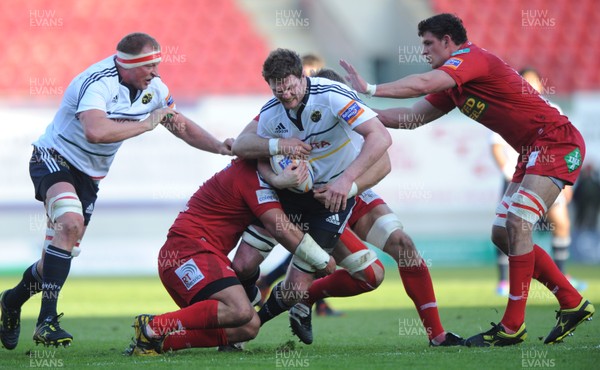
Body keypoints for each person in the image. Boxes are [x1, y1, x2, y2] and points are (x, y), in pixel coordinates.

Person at [340, 13, 594, 346]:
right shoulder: (454, 85)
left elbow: (422, 84)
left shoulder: (471, 59)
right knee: (503, 234)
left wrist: (369, 89)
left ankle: (512, 326)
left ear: (448, 42)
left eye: (429, 44)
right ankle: (571, 301)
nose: (424, 52)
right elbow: (412, 118)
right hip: (532, 150)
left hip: (556, 142)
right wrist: (356, 115)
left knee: (517, 224)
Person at [0, 32, 234, 349]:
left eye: (157, 64)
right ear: (128, 65)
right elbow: (95, 131)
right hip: (53, 159)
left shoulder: (155, 89)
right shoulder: (97, 83)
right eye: (149, 65)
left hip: (89, 178)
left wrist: (220, 146)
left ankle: (11, 302)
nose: (155, 71)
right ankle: (47, 321)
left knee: (54, 259)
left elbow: (179, 124)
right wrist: (148, 123)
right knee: (70, 223)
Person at [235, 68, 464, 346]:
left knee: (401, 247)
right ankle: (242, 322)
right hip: (310, 203)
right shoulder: (285, 109)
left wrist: (349, 187)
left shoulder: (349, 108)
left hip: (346, 194)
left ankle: (437, 335)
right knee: (369, 274)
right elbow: (245, 142)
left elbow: (383, 161)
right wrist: (276, 156)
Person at [231, 48, 392, 338]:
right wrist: (279, 146)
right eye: (278, 90)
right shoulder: (272, 111)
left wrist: (346, 182)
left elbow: (381, 136)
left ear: (302, 76)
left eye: (290, 88)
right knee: (241, 265)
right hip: (286, 198)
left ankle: (252, 325)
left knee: (296, 288)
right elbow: (241, 146)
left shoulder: (332, 96)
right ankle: (244, 303)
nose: (286, 96)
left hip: (329, 202)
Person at [124, 158, 337, 355]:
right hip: (188, 252)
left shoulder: (253, 167)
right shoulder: (251, 177)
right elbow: (281, 228)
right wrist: (322, 259)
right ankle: (154, 326)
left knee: (249, 326)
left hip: (198, 255)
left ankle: (156, 343)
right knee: (239, 310)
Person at [490, 67, 585, 296]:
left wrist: (566, 183)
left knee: (560, 224)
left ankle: (562, 277)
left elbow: (566, 143)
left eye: (534, 82)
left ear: (541, 85)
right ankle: (506, 281)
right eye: (525, 82)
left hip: (546, 174)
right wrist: (508, 174)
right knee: (507, 228)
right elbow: (495, 146)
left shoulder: (553, 109)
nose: (530, 86)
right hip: (517, 176)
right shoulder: (509, 109)